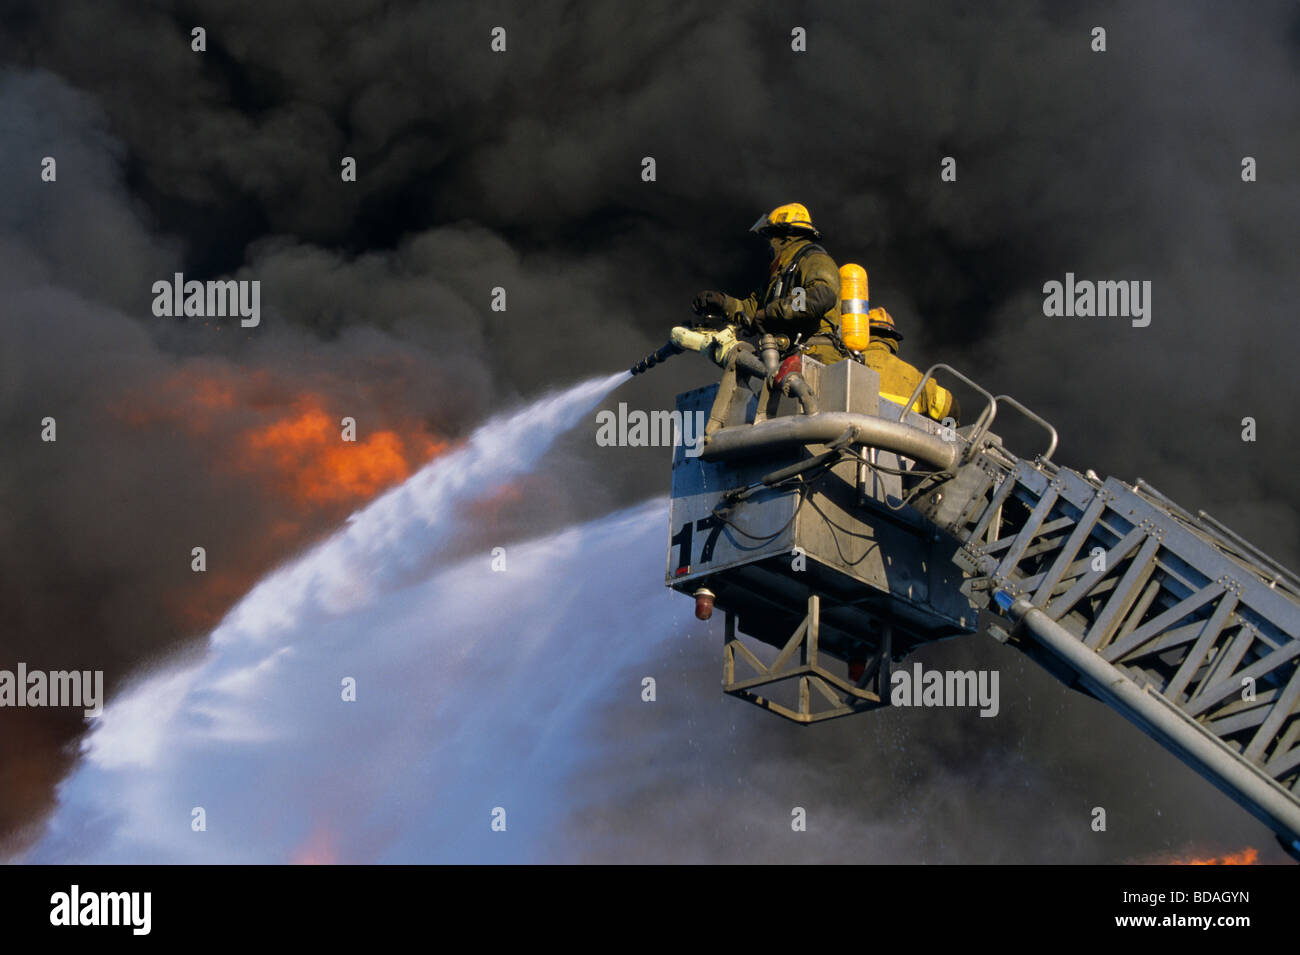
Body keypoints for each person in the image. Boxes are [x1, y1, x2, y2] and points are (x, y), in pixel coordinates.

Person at [692, 203, 845, 365]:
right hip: (787, 356)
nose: (769, 247)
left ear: (784, 238)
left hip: (817, 356)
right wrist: (723, 303)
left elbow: (817, 299)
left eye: (770, 238)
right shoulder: (781, 276)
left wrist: (769, 313)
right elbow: (752, 310)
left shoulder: (814, 260)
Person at [858, 307, 959, 423]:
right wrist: (948, 434)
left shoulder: (847, 364)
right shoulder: (914, 376)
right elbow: (951, 408)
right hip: (902, 438)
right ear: (893, 340)